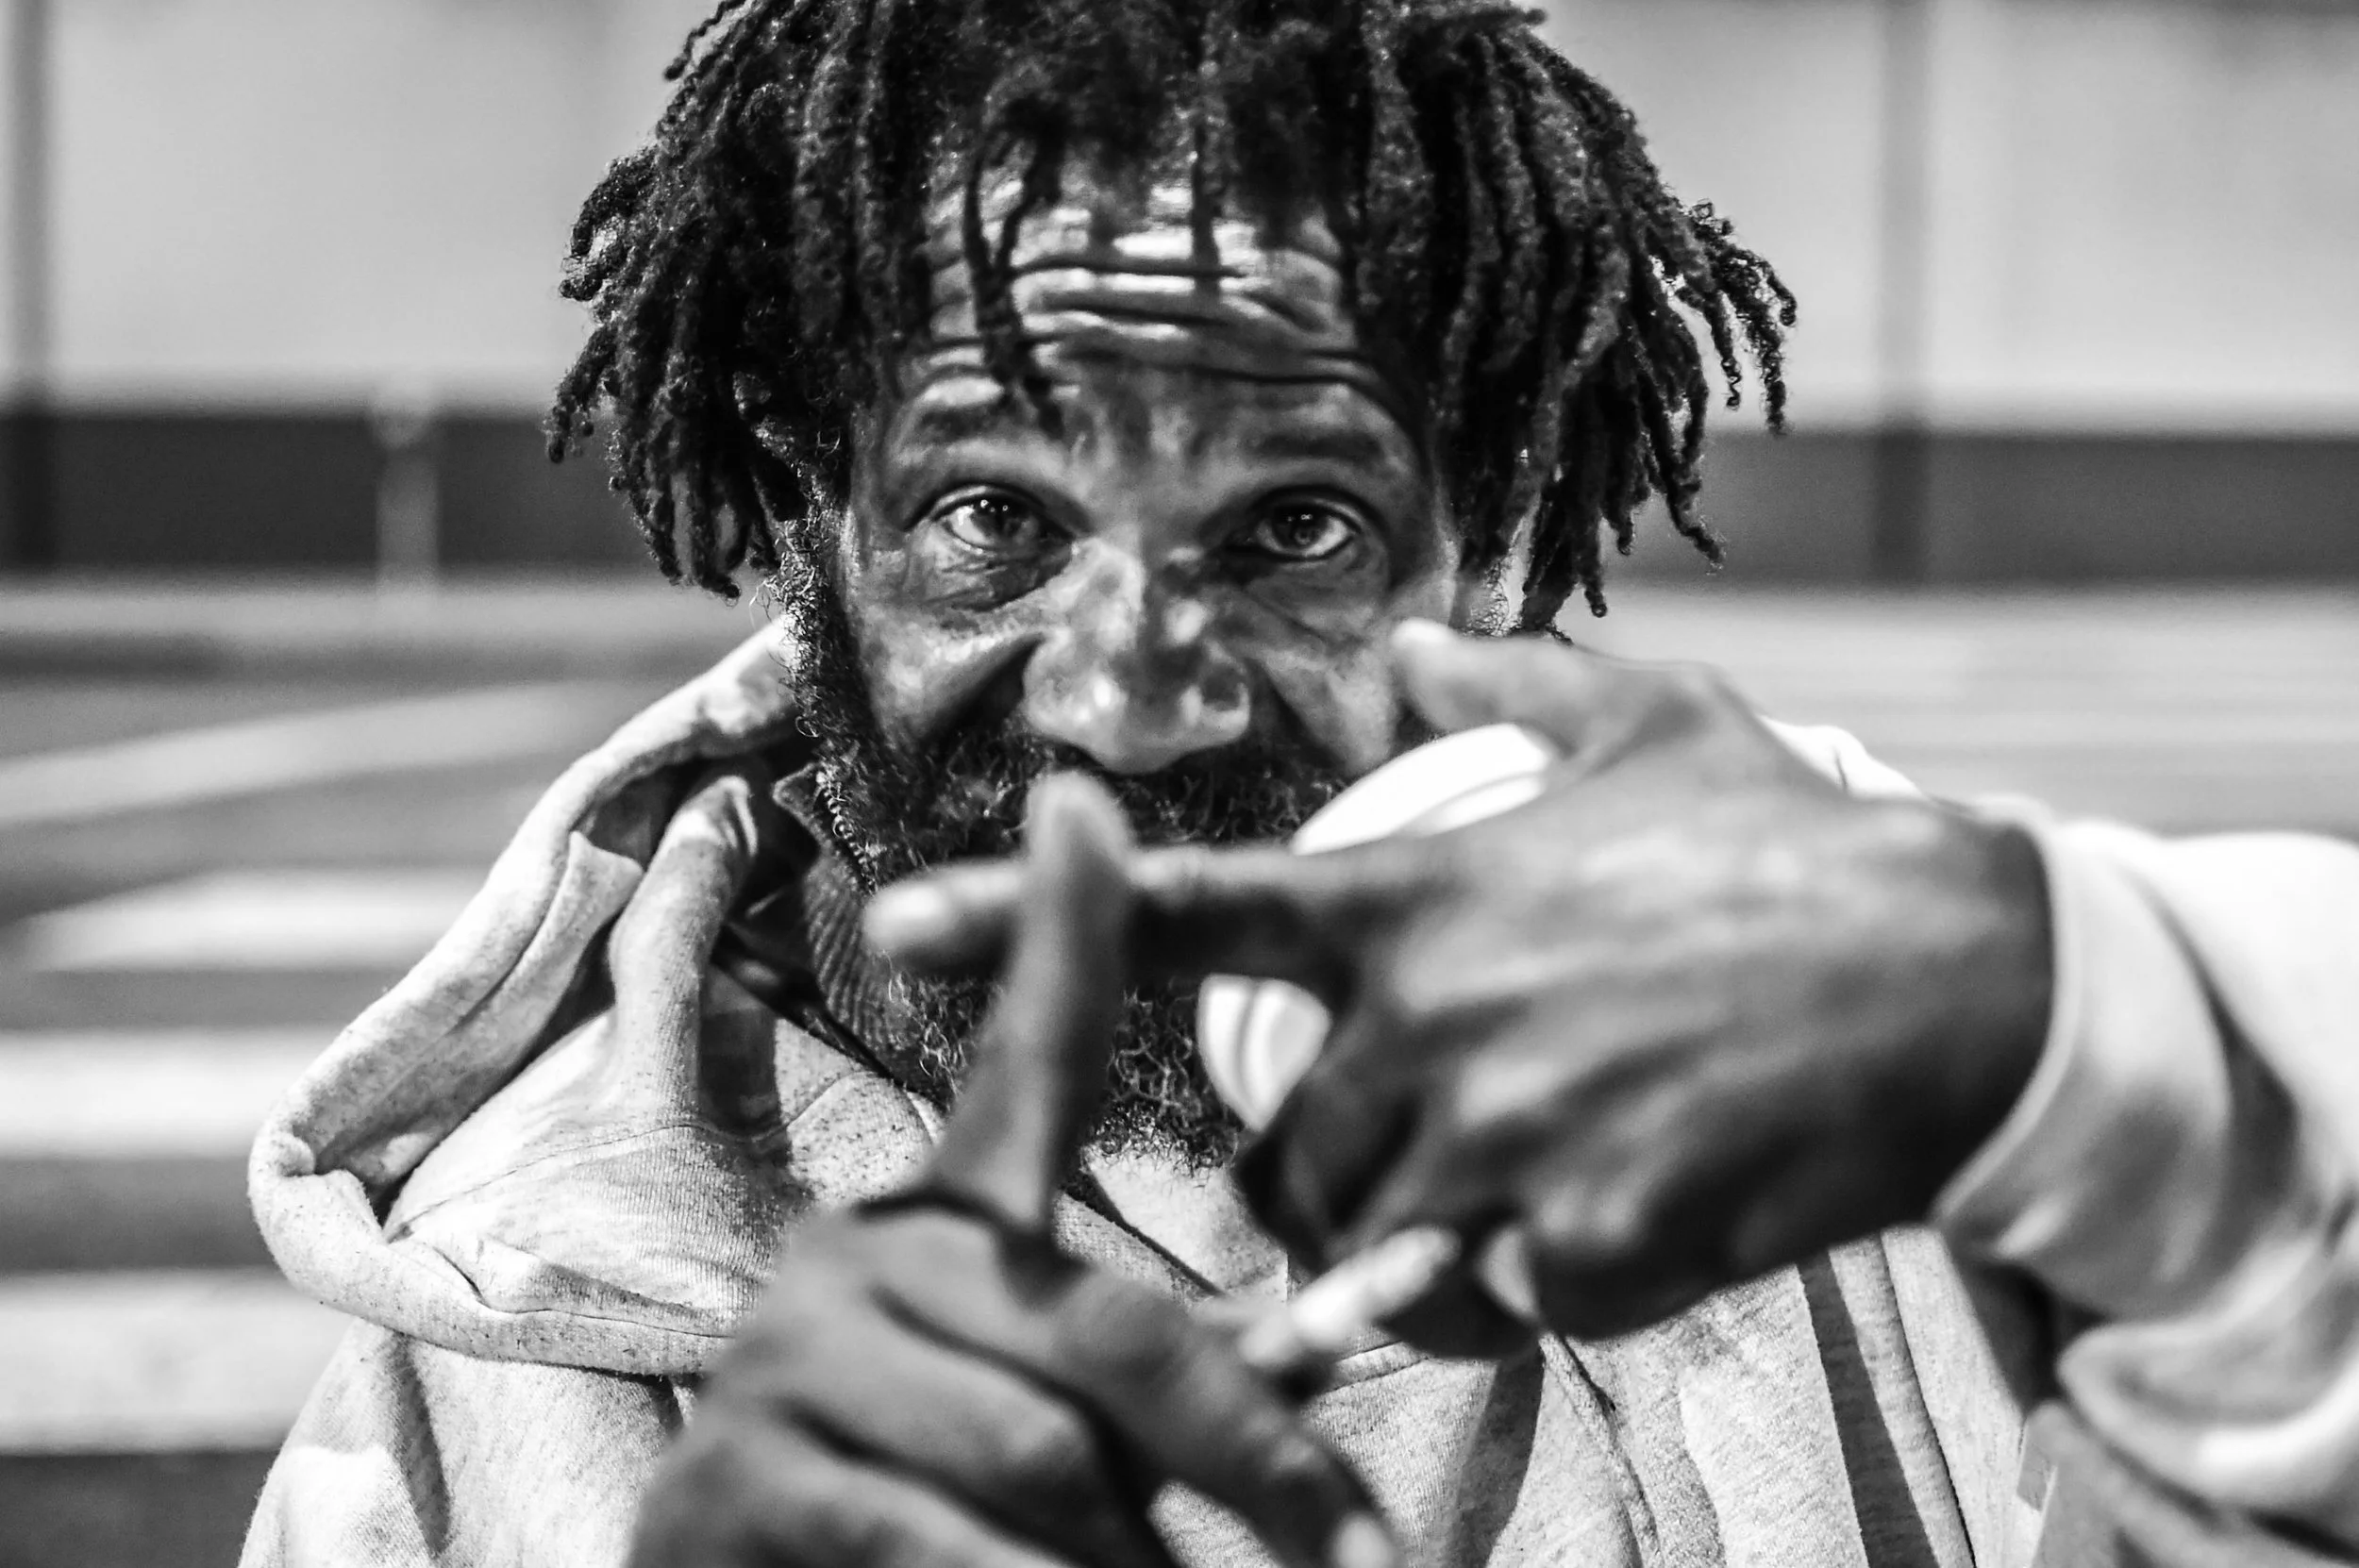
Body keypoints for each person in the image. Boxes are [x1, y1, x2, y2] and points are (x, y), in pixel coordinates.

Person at [233, 2, 2355, 1566]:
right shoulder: (482, 1375)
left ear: (1495, 549)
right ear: (815, 518)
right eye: (993, 517)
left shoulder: (1861, 1052)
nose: (1128, 699)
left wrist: (2104, 1044)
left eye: (1295, 530)